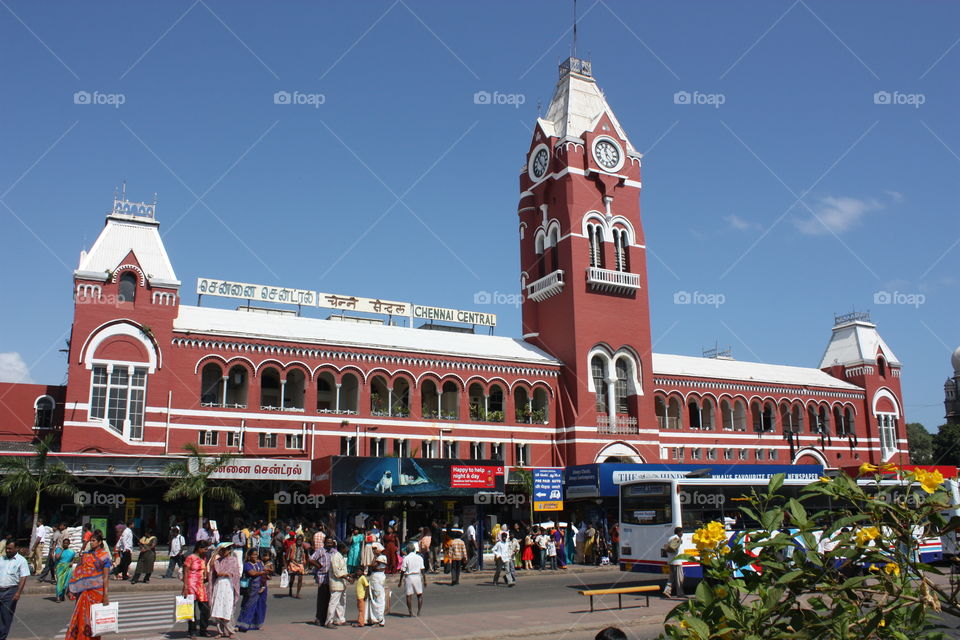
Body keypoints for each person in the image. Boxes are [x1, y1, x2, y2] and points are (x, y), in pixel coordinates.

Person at [65, 531, 111, 640]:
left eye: (94, 541)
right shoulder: (86, 555)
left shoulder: (104, 556)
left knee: (93, 620)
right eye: (90, 541)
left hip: (97, 593)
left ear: (100, 542)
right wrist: (71, 588)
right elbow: (78, 572)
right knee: (81, 617)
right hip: (83, 592)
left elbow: (105, 577)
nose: (91, 543)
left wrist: (105, 595)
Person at [209, 542, 241, 638]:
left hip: (229, 585)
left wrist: (225, 574)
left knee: (228, 608)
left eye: (225, 550)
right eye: (222, 550)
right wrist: (215, 552)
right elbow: (215, 570)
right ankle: (220, 632)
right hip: (219, 585)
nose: (223, 552)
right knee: (218, 609)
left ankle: (230, 631)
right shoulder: (218, 561)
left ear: (229, 550)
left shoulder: (233, 560)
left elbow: (234, 574)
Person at [0, 541, 29, 640]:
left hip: (10, 592)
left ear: (16, 548)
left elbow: (23, 577)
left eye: (10, 548)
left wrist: (18, 593)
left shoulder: (21, 561)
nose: (7, 550)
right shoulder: (1, 559)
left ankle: (2, 637)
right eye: (6, 548)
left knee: (5, 616)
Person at [183, 540, 211, 638]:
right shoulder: (190, 558)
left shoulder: (203, 559)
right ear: (199, 548)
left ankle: (203, 629)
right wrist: (185, 587)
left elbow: (204, 573)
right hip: (191, 585)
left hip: (200, 586)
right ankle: (192, 631)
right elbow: (185, 572)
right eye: (205, 549)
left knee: (205, 609)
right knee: (191, 610)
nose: (206, 551)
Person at [237, 549, 269, 632]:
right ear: (249, 556)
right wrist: (262, 572)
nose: (255, 556)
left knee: (260, 606)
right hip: (252, 588)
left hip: (262, 587)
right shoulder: (247, 565)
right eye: (253, 555)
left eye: (256, 554)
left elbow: (265, 573)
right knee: (248, 605)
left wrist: (263, 585)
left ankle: (257, 624)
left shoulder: (259, 563)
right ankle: (243, 624)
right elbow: (252, 573)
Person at [309, 536, 335, 626]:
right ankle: (319, 618)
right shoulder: (320, 551)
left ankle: (326, 619)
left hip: (331, 579)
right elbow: (311, 559)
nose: (329, 544)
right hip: (322, 578)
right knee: (321, 600)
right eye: (327, 542)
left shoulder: (334, 552)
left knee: (329, 600)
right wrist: (318, 565)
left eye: (330, 542)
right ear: (324, 543)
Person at [325, 542, 349, 628]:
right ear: (342, 548)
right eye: (346, 548)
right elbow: (337, 572)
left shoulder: (342, 557)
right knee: (333, 603)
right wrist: (348, 577)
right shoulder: (335, 557)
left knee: (342, 602)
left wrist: (349, 576)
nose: (347, 550)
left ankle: (340, 619)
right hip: (336, 583)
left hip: (342, 583)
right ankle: (329, 621)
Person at [398, 543, 426, 617]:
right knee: (419, 595)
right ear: (414, 550)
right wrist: (425, 580)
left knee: (408, 595)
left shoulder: (406, 558)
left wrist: (400, 581)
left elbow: (402, 570)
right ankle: (419, 612)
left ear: (407, 550)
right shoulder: (419, 558)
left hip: (409, 577)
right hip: (417, 576)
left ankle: (410, 612)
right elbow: (422, 569)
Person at [366, 542, 387, 627]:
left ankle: (380, 619)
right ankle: (375, 618)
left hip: (378, 577)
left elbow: (373, 566)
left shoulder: (382, 557)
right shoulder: (377, 557)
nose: (374, 551)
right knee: (375, 598)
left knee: (379, 598)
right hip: (375, 577)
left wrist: (371, 564)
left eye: (375, 549)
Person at [662, 527, 685, 599]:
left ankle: (667, 590)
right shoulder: (677, 538)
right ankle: (680, 593)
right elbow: (675, 548)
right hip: (677, 561)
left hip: (671, 561)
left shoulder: (670, 538)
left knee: (671, 577)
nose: (682, 534)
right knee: (679, 578)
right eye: (682, 532)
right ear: (679, 532)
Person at [54, 537, 77, 602]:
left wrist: (71, 563)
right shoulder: (58, 549)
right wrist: (62, 550)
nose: (65, 544)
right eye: (64, 543)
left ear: (69, 544)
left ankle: (62, 594)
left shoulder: (71, 552)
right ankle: (58, 596)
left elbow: (73, 558)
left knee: (66, 583)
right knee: (59, 582)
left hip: (68, 567)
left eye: (67, 543)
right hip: (60, 567)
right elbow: (57, 557)